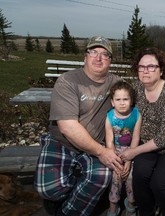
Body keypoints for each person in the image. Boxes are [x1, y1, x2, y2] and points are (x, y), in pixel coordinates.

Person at [34, 36, 124, 216]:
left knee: (101, 176)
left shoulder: (117, 84)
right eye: (93, 52)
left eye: (105, 55)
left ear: (110, 61)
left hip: (94, 142)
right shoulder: (68, 80)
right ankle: (79, 194)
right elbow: (67, 127)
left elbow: (140, 98)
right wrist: (102, 152)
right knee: (47, 188)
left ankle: (67, 212)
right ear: (85, 57)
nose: (98, 58)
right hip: (62, 141)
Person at [120, 47, 165, 216]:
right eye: (141, 67)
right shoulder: (136, 89)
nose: (145, 70)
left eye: (151, 66)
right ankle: (146, 211)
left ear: (161, 70)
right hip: (147, 143)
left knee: (159, 183)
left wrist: (134, 151)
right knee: (139, 176)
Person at [105, 81, 142, 216]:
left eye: (125, 99)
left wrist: (128, 161)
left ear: (131, 100)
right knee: (117, 177)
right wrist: (116, 161)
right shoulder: (109, 117)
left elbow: (136, 139)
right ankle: (113, 207)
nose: (122, 103)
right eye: (118, 99)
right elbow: (109, 141)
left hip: (132, 150)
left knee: (132, 176)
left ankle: (131, 205)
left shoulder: (136, 115)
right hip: (116, 152)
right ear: (112, 102)